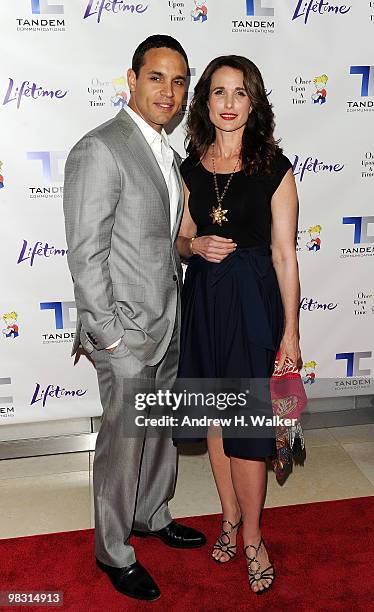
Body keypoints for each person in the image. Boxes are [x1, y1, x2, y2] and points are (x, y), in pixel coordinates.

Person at [63, 34, 206, 603]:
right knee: (123, 442)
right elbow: (86, 253)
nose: (168, 91)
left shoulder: (164, 149)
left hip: (166, 320)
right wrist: (111, 335)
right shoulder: (101, 148)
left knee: (161, 432)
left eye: (178, 81)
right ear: (132, 79)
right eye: (157, 78)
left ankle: (151, 513)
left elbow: (161, 240)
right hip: (124, 330)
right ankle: (114, 550)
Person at [176, 55, 301, 594]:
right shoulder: (189, 167)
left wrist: (290, 333)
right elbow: (180, 239)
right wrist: (194, 244)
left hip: (253, 305)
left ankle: (252, 535)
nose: (228, 103)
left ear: (255, 102)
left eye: (240, 92)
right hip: (204, 302)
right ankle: (227, 515)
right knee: (215, 418)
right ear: (206, 101)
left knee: (250, 429)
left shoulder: (274, 167)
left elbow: (285, 256)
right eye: (218, 92)